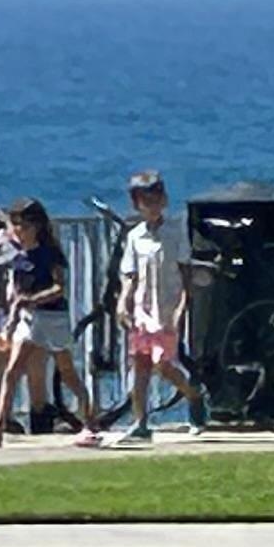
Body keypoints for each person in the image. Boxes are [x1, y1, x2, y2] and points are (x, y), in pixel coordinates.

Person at [0, 199, 101, 447]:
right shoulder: (17, 256)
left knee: (68, 373)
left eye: (23, 225)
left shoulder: (48, 252)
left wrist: (32, 300)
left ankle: (90, 421)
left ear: (36, 226)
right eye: (15, 225)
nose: (18, 231)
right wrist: (9, 326)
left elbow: (59, 288)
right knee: (11, 372)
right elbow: (17, 296)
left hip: (52, 318)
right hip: (28, 320)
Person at [102, 170, 200, 442]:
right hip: (142, 309)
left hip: (166, 308)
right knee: (141, 364)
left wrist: (183, 305)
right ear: (137, 204)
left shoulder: (175, 231)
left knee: (163, 364)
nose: (152, 205)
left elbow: (185, 270)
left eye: (157, 198)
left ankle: (193, 395)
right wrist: (124, 302)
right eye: (146, 200)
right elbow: (129, 275)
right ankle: (140, 421)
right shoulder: (135, 236)